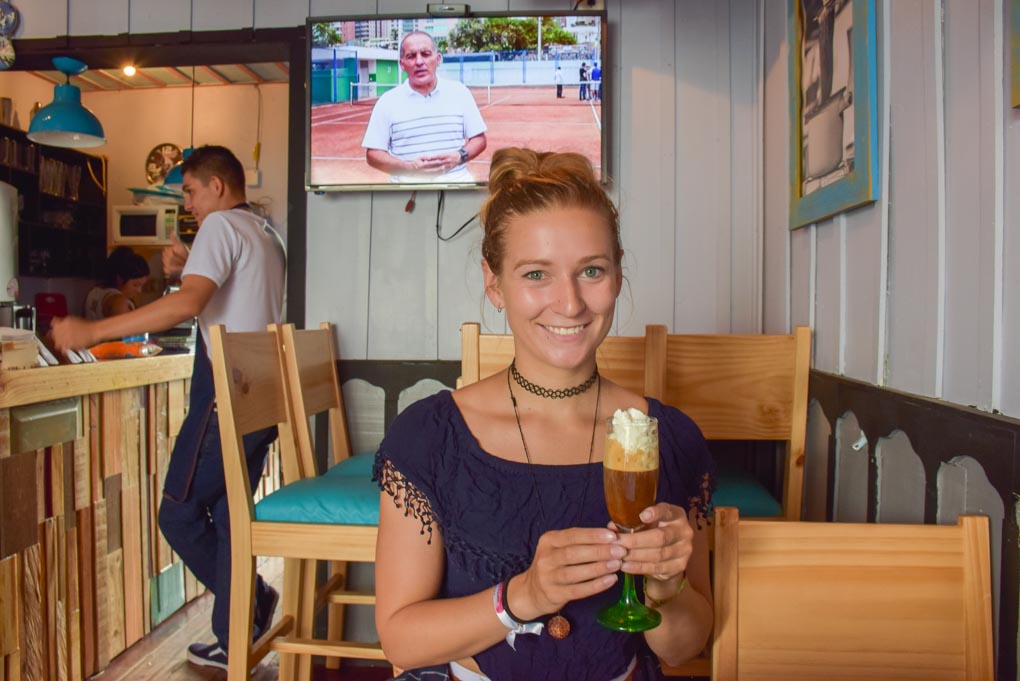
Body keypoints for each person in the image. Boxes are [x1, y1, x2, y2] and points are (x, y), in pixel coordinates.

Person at [373, 148, 714, 681]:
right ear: (494, 284)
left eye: (591, 271)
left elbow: (684, 649)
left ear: (618, 273)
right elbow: (401, 640)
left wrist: (667, 587)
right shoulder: (429, 437)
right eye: (536, 274)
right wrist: (521, 596)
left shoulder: (670, 439)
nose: (570, 303)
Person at [51, 145, 287, 672]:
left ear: (217, 186)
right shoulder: (264, 232)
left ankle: (251, 600)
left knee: (177, 513)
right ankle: (236, 633)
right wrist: (187, 267)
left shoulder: (221, 226)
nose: (189, 205)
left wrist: (91, 331)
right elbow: (231, 298)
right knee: (229, 518)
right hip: (260, 399)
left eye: (190, 192)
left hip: (225, 395)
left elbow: (187, 305)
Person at [362, 31, 487, 184]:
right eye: (411, 56)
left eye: (426, 54)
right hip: (407, 193)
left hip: (457, 188)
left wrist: (460, 156)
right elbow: (373, 155)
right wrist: (409, 168)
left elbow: (479, 139)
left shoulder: (460, 92)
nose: (419, 62)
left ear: (438, 59)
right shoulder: (386, 102)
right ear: (402, 64)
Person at [84, 246, 150, 320]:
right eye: (135, 285)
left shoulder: (95, 292)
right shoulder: (120, 303)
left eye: (142, 285)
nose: (139, 291)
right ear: (120, 279)